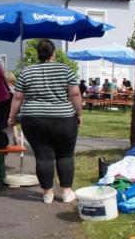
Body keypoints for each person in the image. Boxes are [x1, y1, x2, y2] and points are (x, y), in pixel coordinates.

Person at [8, 39, 82, 204]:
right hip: (64, 119)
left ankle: (47, 194)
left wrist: (12, 116)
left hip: (33, 120)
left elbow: (18, 97)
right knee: (65, 155)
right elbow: (75, 94)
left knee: (43, 157)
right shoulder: (65, 69)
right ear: (53, 53)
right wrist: (79, 113)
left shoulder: (26, 72)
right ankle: (66, 192)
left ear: (38, 54)